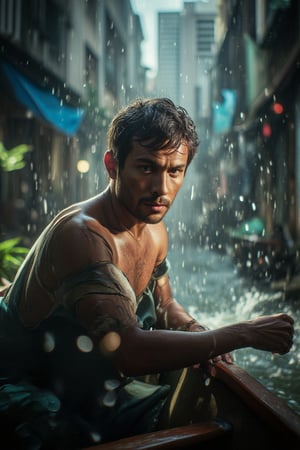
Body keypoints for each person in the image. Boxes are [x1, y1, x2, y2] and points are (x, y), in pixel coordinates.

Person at [0, 97, 294, 449]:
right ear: (112, 165)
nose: (162, 188)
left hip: (87, 377)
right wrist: (243, 333)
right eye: (146, 168)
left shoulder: (153, 229)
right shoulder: (83, 235)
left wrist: (194, 328)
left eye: (174, 171)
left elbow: (165, 302)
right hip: (27, 385)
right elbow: (129, 351)